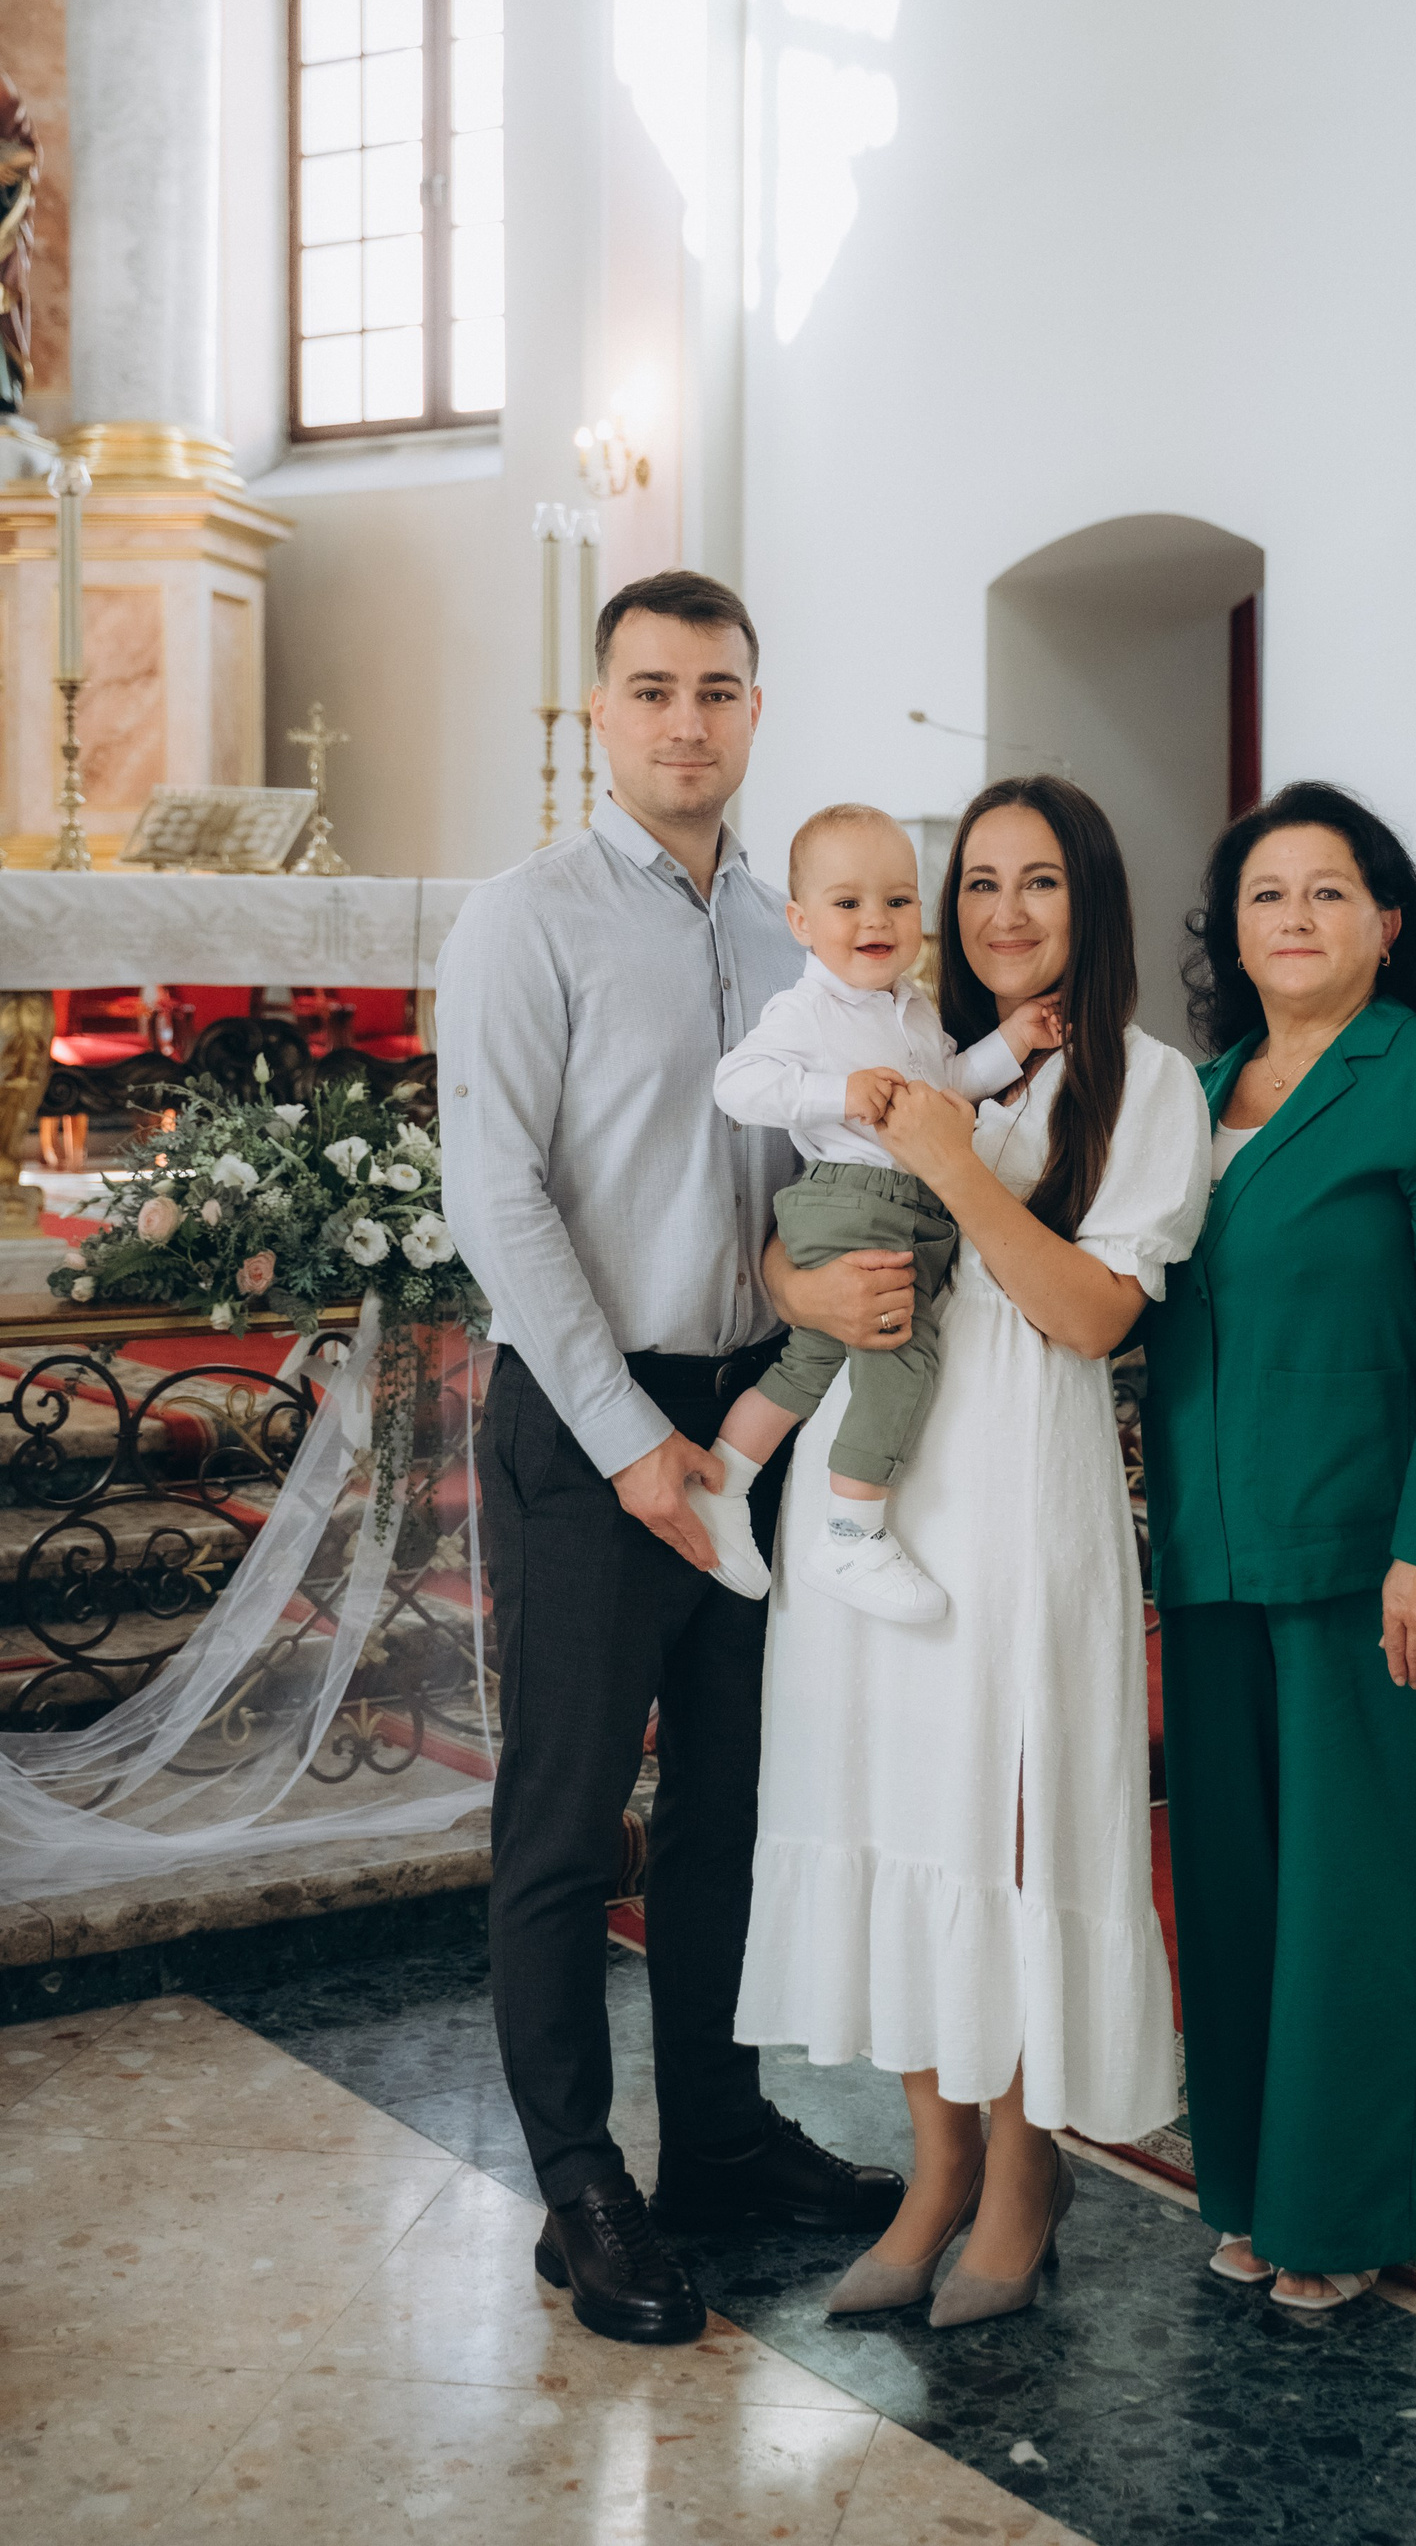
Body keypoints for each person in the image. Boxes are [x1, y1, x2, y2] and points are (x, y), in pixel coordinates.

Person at [437, 571, 907, 2352]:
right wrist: (632, 1439)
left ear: (755, 710)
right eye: (652, 688)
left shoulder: (798, 933)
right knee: (568, 1818)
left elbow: (805, 1175)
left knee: (730, 1804)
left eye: (717, 689)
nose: (686, 720)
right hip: (590, 1419)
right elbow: (498, 1195)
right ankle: (579, 2184)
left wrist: (813, 1318)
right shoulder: (526, 917)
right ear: (602, 710)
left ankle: (714, 2136)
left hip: (752, 1414)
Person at [734, 777, 1211, 2329]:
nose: (1005, 910)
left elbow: (1092, 1314)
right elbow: (802, 1220)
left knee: (1005, 1828)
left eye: (1041, 881)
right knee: (895, 1804)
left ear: (1094, 901)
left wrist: (953, 1164)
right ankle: (934, 2166)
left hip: (1014, 1486)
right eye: (982, 881)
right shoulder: (898, 1042)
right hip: (871, 1484)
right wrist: (798, 1292)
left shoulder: (1145, 1080)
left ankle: (1022, 2169)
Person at [1145, 781, 1416, 2310]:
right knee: (1235, 1894)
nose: (1295, 917)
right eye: (1266, 893)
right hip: (1213, 1552)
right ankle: (1250, 2188)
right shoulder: (1194, 1092)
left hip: (1376, 1559)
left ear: (1386, 924)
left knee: (1360, 1897)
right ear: (1230, 933)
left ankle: (1341, 2207)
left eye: (1327, 891)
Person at [700, 801, 1061, 1623]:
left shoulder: (911, 1007)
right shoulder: (807, 1010)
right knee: (903, 1351)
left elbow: (949, 1086)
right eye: (848, 902)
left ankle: (722, 1481)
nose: (876, 920)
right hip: (852, 1199)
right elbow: (736, 1085)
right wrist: (839, 1093)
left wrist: (1015, 1040)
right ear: (801, 922)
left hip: (898, 1202)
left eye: (898, 901)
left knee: (811, 1359)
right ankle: (852, 1532)